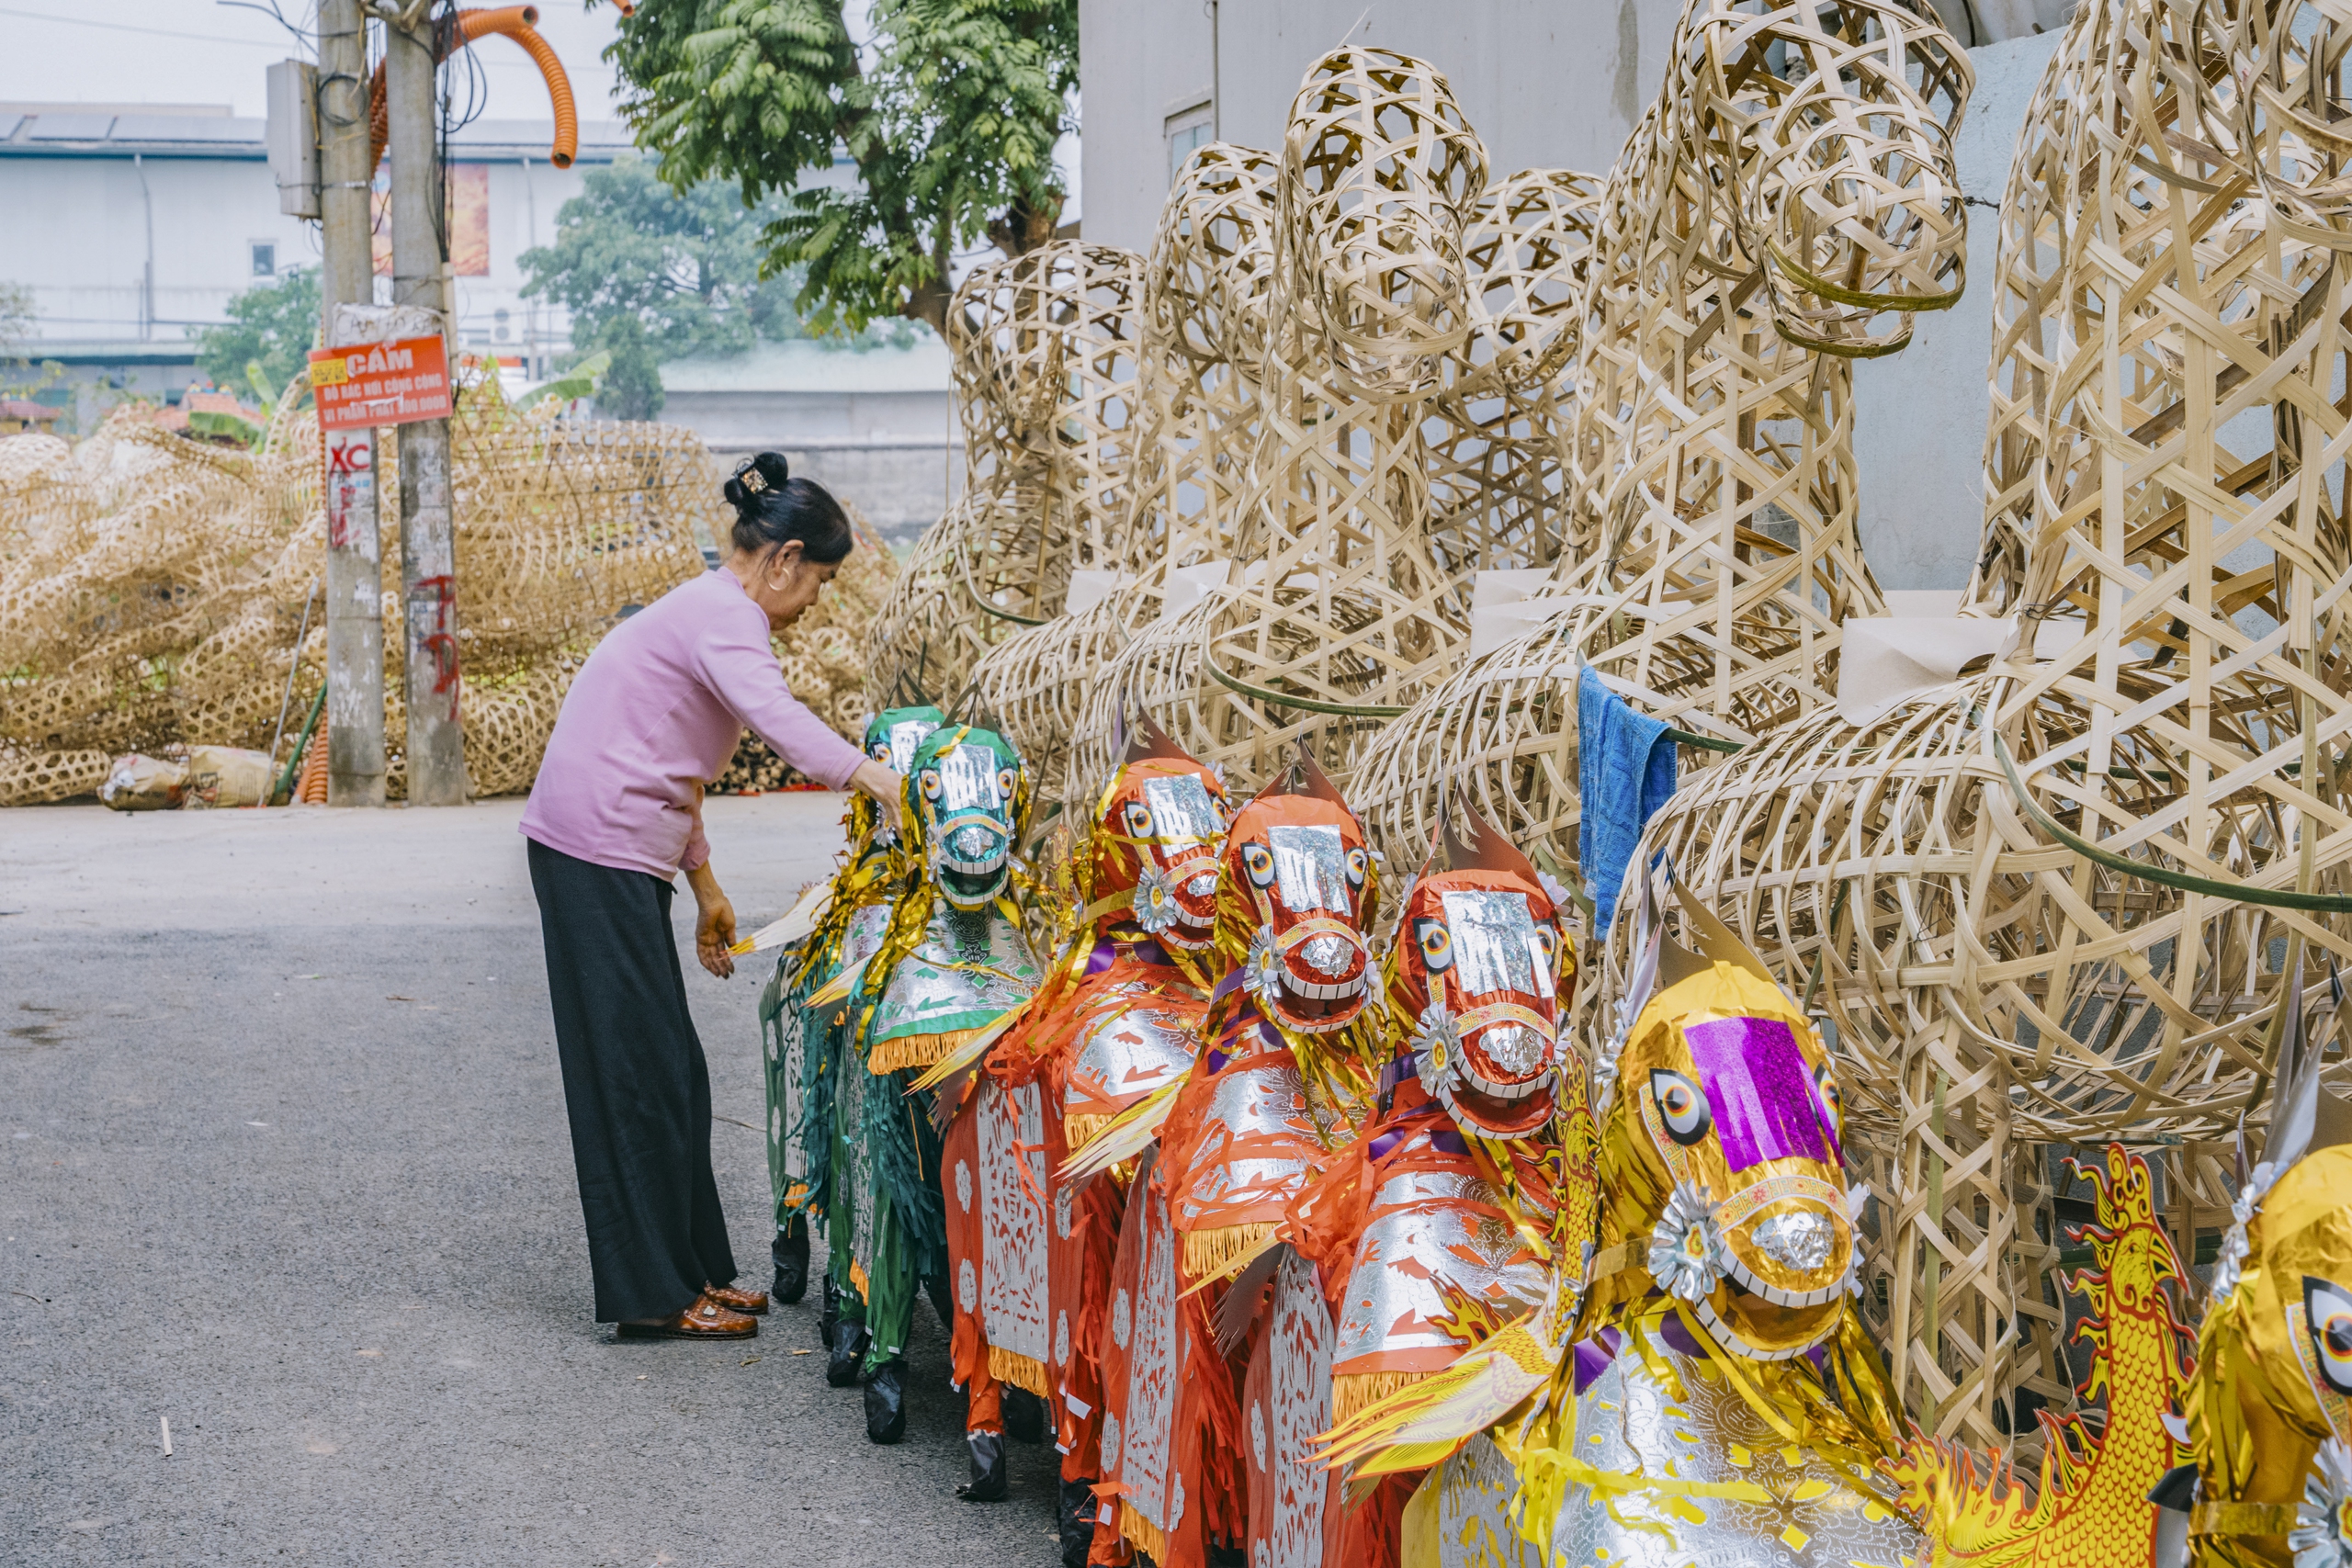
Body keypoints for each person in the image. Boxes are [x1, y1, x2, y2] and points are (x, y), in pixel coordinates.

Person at [520, 451, 902, 1341]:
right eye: (819, 581)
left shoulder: (707, 612)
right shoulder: (726, 619)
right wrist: (886, 782)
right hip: (593, 853)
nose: (816, 603)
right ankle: (655, 1297)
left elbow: (673, 761)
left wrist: (704, 882)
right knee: (635, 1078)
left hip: (619, 852)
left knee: (674, 1073)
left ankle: (693, 1273)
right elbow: (787, 730)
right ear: (782, 559)